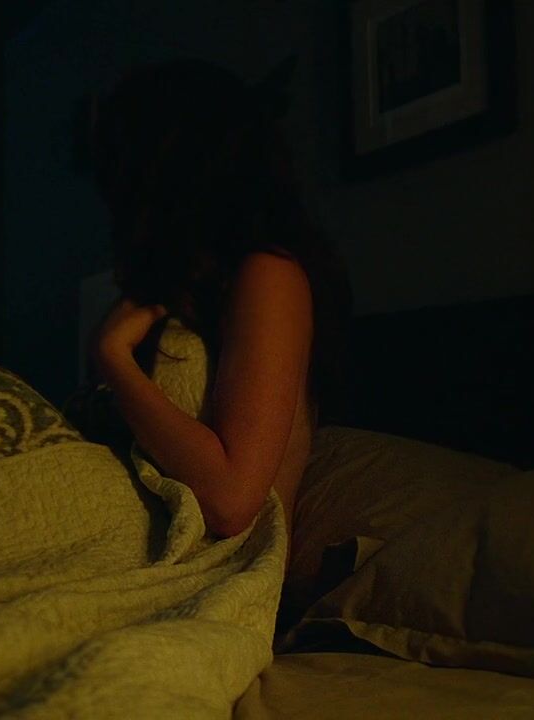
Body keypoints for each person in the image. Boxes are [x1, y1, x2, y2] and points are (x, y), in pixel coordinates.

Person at [88, 59, 351, 539]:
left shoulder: (270, 275)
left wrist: (113, 359)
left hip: (219, 563)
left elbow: (232, 499)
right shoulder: (182, 289)